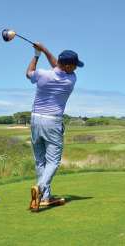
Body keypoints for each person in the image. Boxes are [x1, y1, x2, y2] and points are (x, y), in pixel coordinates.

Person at [26, 42, 84, 212]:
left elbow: (29, 74)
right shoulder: (70, 79)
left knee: (40, 160)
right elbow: (57, 67)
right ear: (67, 66)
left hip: (35, 120)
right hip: (53, 122)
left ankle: (44, 198)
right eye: (74, 65)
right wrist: (44, 50)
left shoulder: (43, 75)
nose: (76, 69)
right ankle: (41, 188)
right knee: (53, 161)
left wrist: (38, 54)